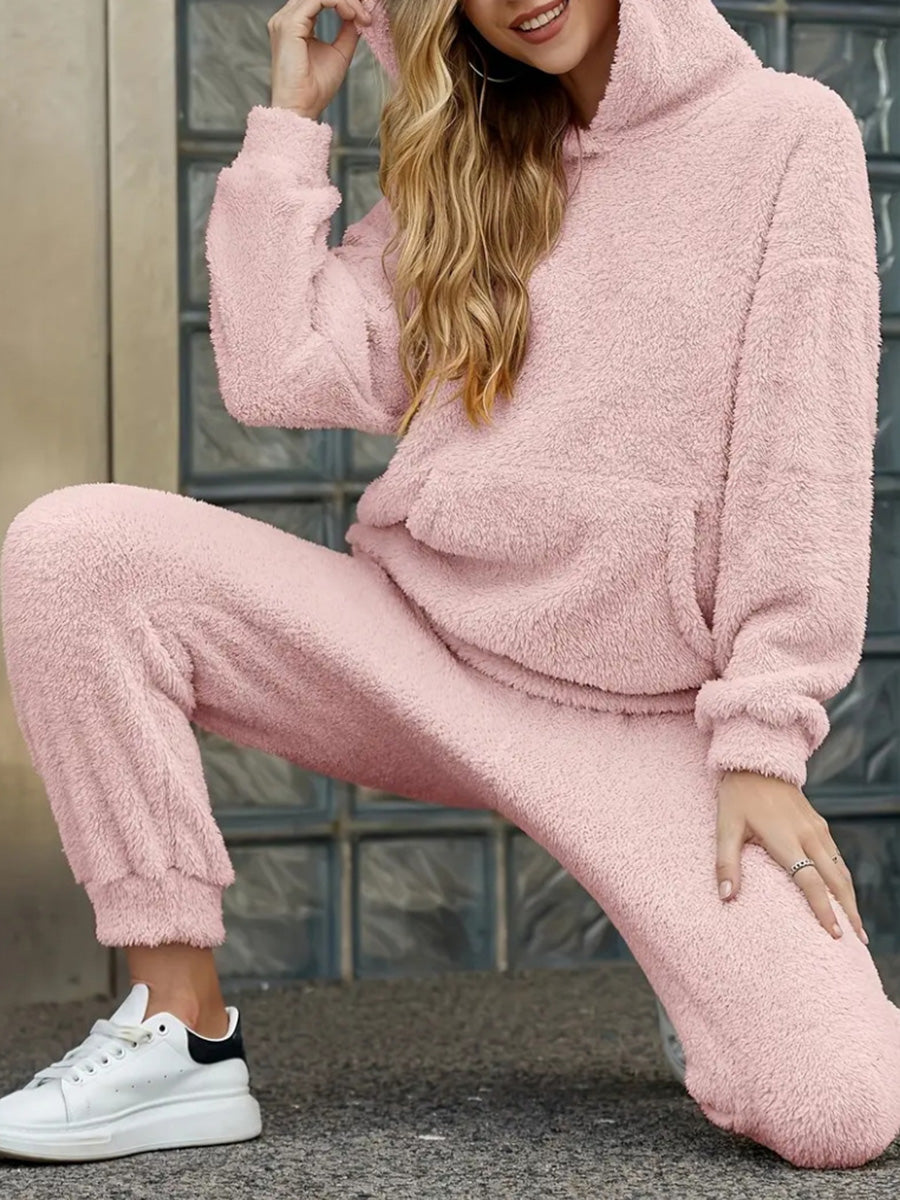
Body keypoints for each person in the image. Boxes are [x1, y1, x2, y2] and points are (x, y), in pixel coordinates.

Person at [0, 0, 896, 1171]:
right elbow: (276, 373)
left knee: (839, 1110)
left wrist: (765, 739)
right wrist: (291, 122)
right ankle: (181, 1031)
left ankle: (708, 976)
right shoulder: (477, 157)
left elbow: (803, 460)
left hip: (644, 723)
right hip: (420, 650)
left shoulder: (785, 134)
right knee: (73, 550)